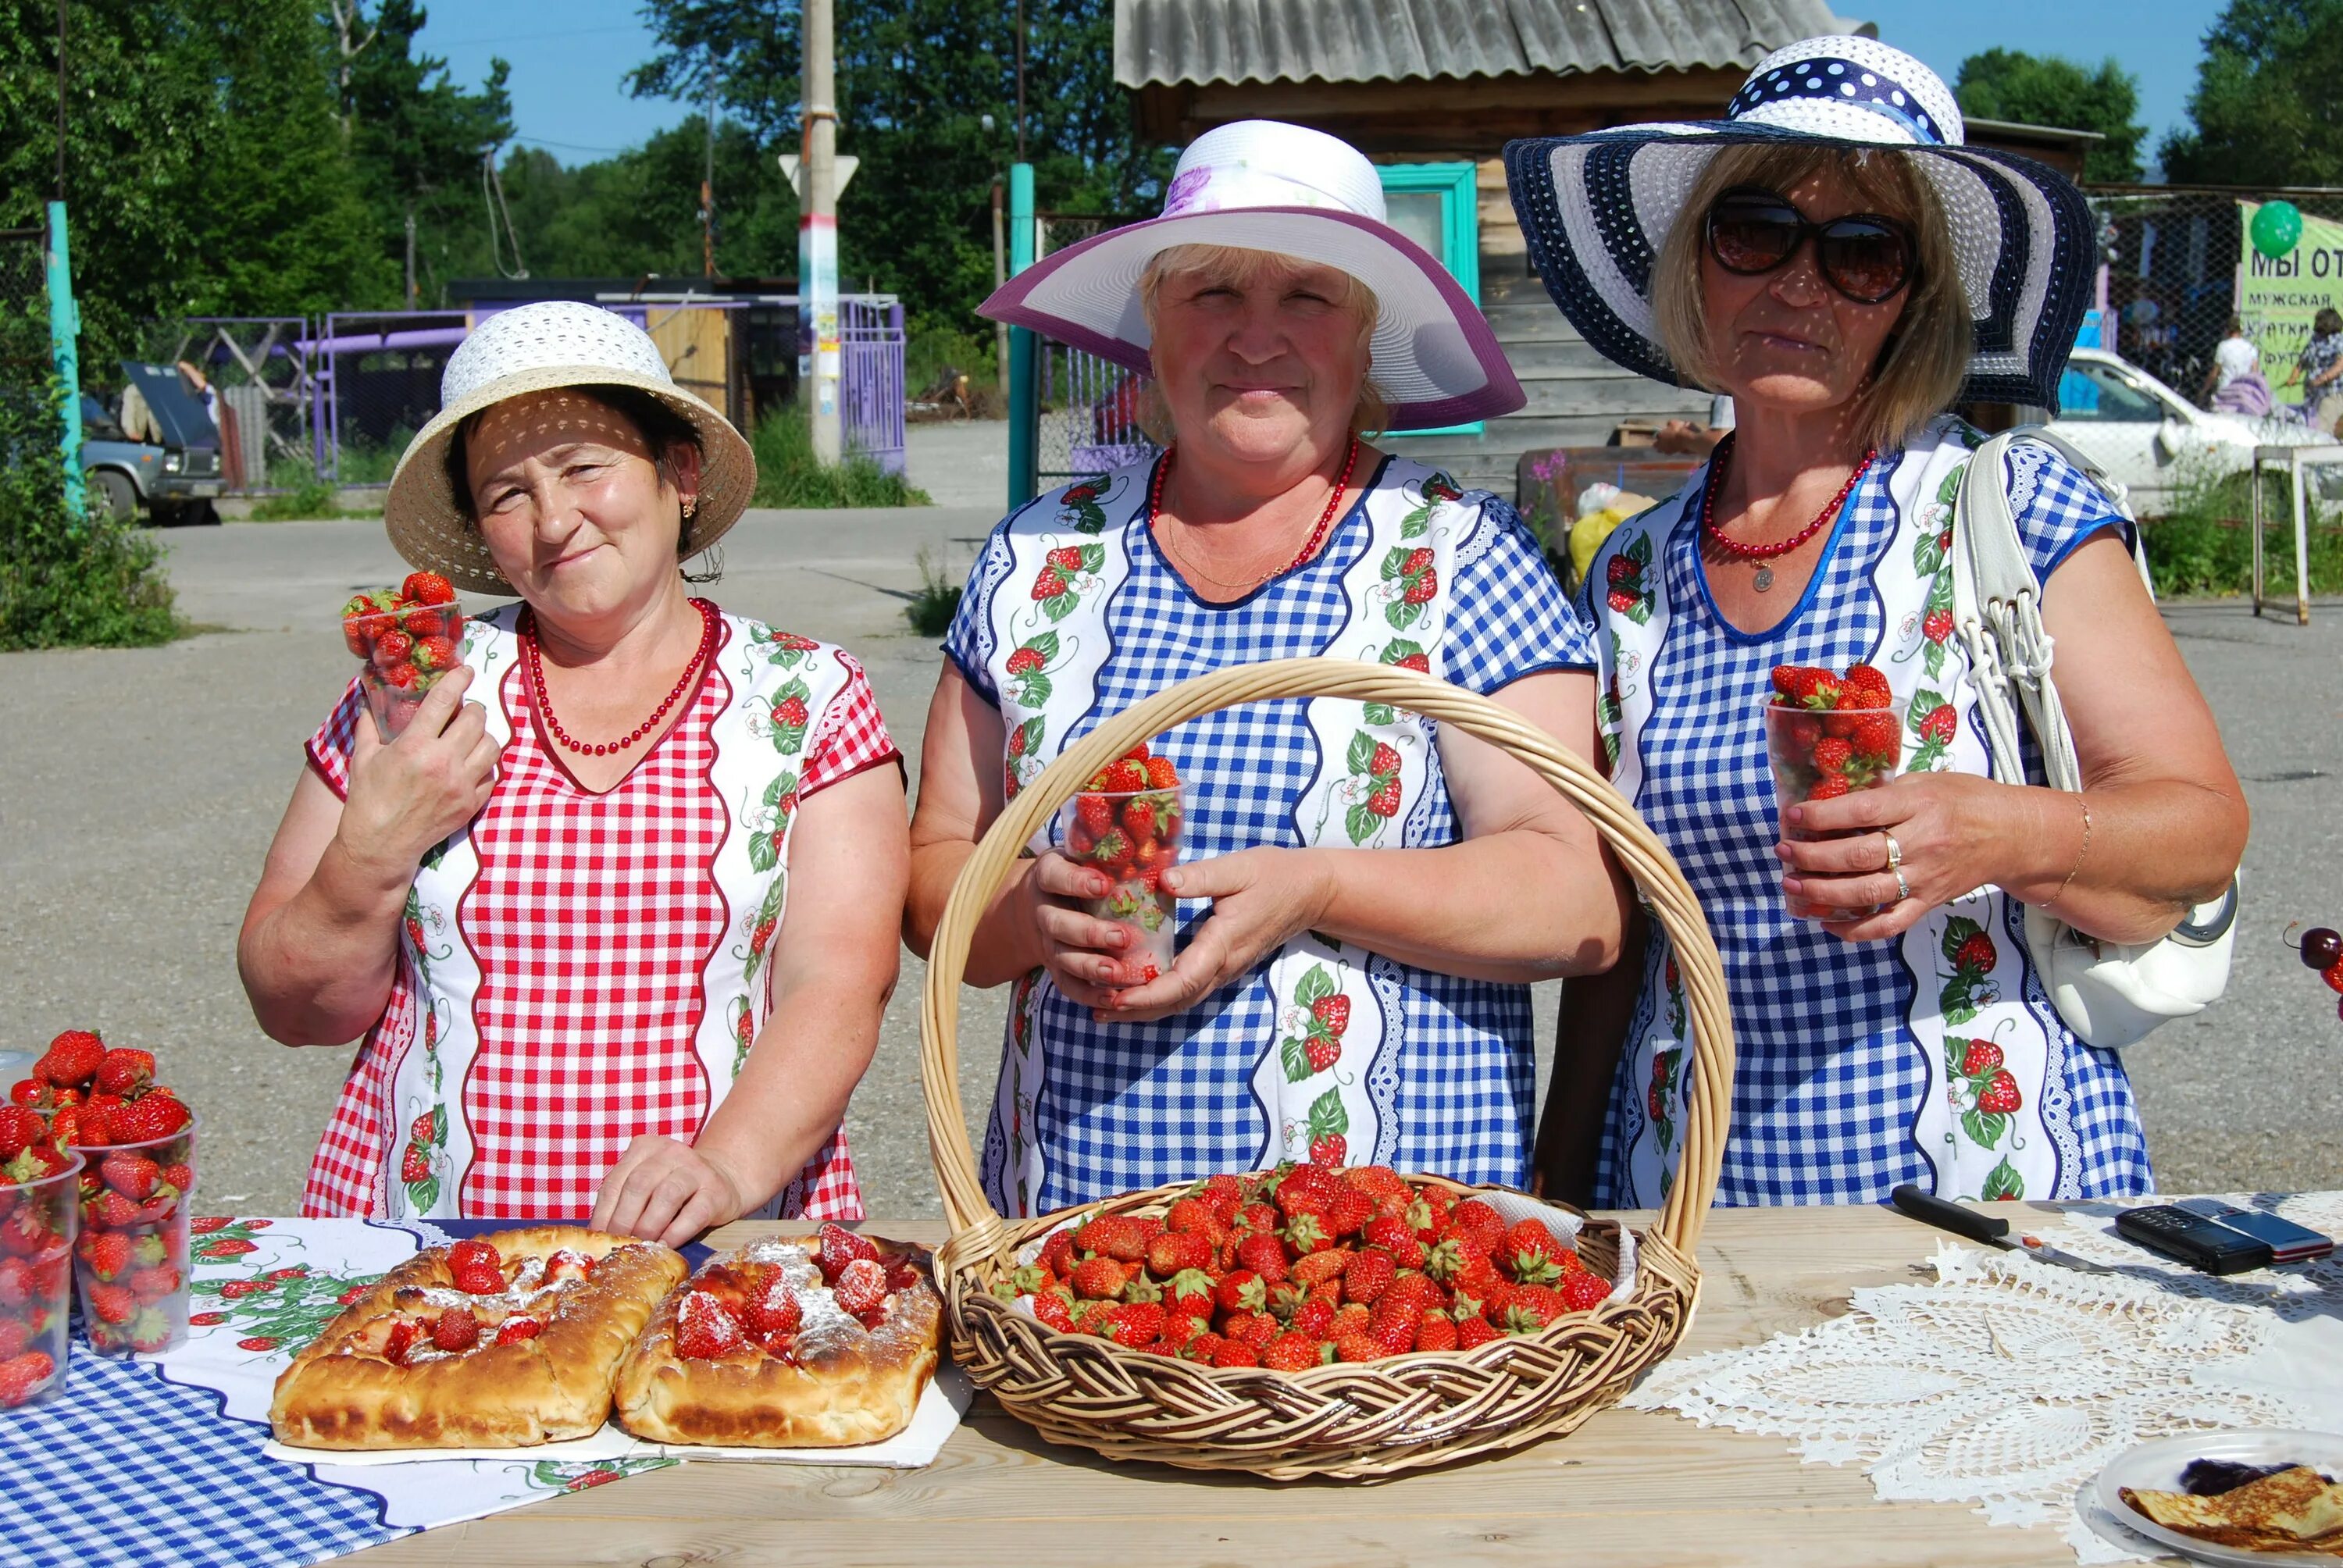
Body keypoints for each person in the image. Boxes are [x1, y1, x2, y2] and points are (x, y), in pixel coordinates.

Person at [1507, 37, 2248, 1206]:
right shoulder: (1631, 573)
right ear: (1697, 264)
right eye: (1754, 233)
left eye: (1862, 253)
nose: (1799, 286)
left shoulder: (2004, 507)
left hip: (1988, 1200)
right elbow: (1628, 922)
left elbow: (2200, 832)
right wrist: (1562, 1176)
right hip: (1695, 1205)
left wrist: (1994, 831)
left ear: (1913, 302)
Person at [911, 119, 1627, 1217]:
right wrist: (1028, 913)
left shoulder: (1456, 550)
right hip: (1076, 1242)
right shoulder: (1040, 555)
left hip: (1392, 1247)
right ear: (1153, 327)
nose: (1256, 338)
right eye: (1210, 295)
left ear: (1362, 339)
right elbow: (934, 880)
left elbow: (1572, 900)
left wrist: (1320, 886)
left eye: (1307, 297)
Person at [239, 301, 908, 1243]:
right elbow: (293, 1007)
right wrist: (370, 854)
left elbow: (838, 980)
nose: (555, 520)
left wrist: (724, 1166)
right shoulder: (418, 693)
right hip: (432, 1253)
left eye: (585, 467)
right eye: (508, 493)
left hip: (722, 1241)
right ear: (480, 527)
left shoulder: (809, 696)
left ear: (679, 473)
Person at [2299, 307, 2343, 436]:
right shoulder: (2315, 340)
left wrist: (2322, 379)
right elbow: (2303, 360)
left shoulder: (2339, 341)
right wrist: (2294, 377)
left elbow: (2340, 365)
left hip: (2331, 393)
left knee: (2321, 430)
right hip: (2313, 395)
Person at [2201, 317, 2260, 405]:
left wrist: (2203, 391)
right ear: (2241, 330)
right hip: (2243, 393)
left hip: (2226, 391)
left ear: (2227, 330)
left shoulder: (2223, 347)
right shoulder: (2250, 348)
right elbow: (2255, 374)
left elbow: (2215, 373)